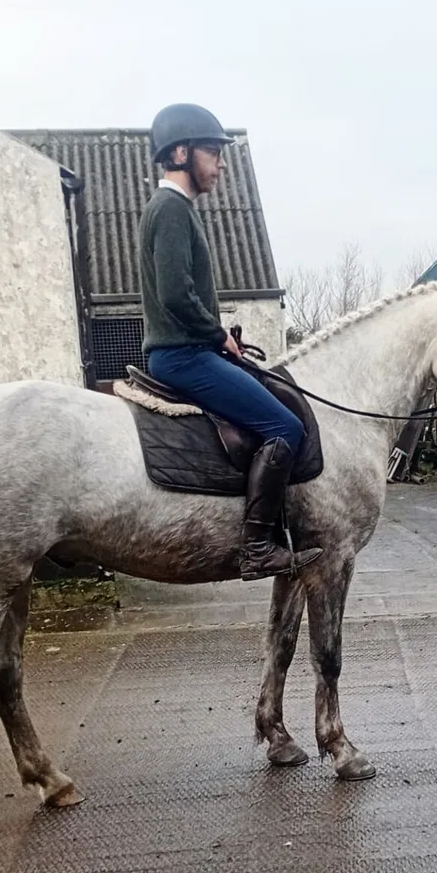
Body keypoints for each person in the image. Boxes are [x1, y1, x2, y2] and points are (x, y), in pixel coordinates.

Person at [138, 103, 323, 582]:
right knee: (285, 426)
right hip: (183, 356)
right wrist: (217, 333)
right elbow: (177, 295)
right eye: (213, 152)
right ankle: (257, 547)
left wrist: (217, 338)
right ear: (181, 152)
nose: (221, 164)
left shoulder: (173, 209)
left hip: (189, 350)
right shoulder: (172, 210)